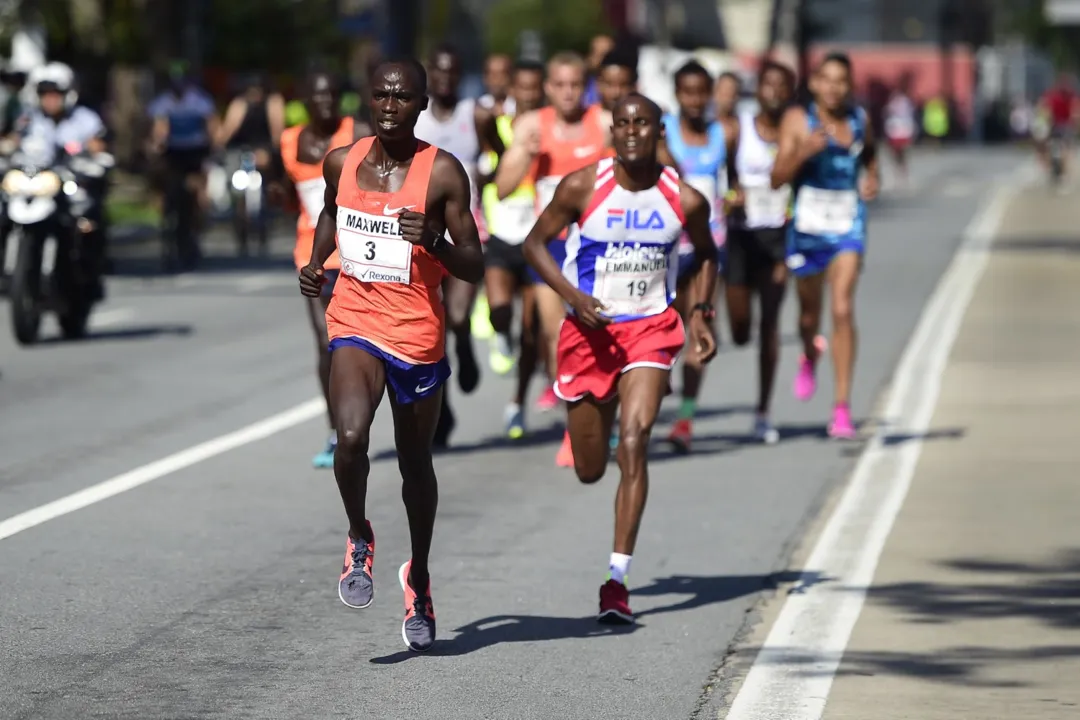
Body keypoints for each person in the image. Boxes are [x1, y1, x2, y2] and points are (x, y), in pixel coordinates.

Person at [297, 58, 484, 653]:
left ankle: (420, 578)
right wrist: (317, 259)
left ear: (423, 103)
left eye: (403, 97)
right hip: (354, 319)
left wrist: (434, 241)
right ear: (367, 99)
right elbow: (331, 210)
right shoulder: (342, 160)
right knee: (350, 438)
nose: (389, 106)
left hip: (417, 335)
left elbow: (475, 264)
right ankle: (359, 534)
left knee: (415, 467)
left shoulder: (445, 174)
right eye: (380, 95)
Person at [522, 93, 718, 623]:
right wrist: (574, 297)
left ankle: (616, 580)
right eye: (623, 123)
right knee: (589, 469)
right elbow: (535, 244)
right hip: (589, 335)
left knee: (634, 442)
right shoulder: (584, 186)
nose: (632, 131)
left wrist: (700, 312)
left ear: (659, 130)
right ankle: (598, 419)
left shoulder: (686, 199)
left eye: (643, 123)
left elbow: (706, 254)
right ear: (613, 130)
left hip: (651, 329)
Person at [494, 51, 609, 466]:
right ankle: (572, 429)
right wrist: (524, 153)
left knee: (599, 337)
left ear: (585, 85)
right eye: (559, 85)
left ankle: (602, 415)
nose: (567, 93)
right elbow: (502, 187)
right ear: (547, 88)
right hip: (550, 249)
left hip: (597, 249)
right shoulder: (531, 125)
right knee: (559, 338)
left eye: (575, 84)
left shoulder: (604, 124)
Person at [771, 52, 879, 439]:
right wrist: (803, 152)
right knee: (808, 315)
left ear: (849, 86)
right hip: (808, 230)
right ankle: (809, 349)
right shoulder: (798, 121)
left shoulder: (859, 120)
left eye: (842, 81)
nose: (834, 88)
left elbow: (869, 157)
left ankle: (842, 407)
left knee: (843, 307)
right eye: (827, 79)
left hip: (848, 227)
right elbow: (776, 178)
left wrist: (871, 179)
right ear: (814, 83)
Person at [279, 71, 360, 468]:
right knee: (325, 344)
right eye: (318, 96)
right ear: (305, 101)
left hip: (358, 253)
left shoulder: (356, 130)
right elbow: (288, 194)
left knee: (364, 346)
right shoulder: (290, 140)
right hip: (311, 255)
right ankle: (336, 432)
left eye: (332, 95)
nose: (326, 103)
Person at [659, 60, 733, 452]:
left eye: (701, 92)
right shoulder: (663, 131)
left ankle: (685, 418)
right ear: (676, 94)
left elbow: (731, 181)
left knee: (698, 325)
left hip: (708, 247)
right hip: (666, 247)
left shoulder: (723, 134)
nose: (695, 100)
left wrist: (734, 198)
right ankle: (648, 398)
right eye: (687, 92)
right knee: (661, 330)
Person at [413, 43, 484, 447]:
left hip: (470, 231)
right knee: (433, 331)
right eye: (437, 72)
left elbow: (498, 153)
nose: (444, 79)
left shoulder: (474, 114)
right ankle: (446, 408)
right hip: (425, 235)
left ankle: (466, 345)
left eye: (451, 72)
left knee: (457, 318)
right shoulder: (416, 118)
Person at [723, 60, 797, 444]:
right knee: (739, 329)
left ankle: (763, 411)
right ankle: (740, 329)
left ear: (790, 91)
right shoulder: (740, 128)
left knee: (770, 323)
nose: (774, 92)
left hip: (777, 238)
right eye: (768, 84)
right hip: (741, 236)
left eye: (781, 86)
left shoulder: (796, 131)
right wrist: (730, 194)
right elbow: (723, 172)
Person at [476, 59, 546, 437]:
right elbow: (487, 166)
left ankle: (517, 402)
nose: (530, 94)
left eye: (536, 87)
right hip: (502, 235)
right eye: (524, 87)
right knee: (500, 312)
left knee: (533, 331)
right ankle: (501, 334)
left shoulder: (550, 130)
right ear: (513, 89)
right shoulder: (499, 126)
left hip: (538, 241)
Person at [21, 62, 110, 296]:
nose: (50, 100)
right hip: (37, 184)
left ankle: (89, 273)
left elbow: (97, 146)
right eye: (45, 95)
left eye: (55, 95)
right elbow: (12, 141)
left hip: (70, 184)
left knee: (87, 219)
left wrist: (91, 155)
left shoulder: (84, 118)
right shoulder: (29, 120)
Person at [147, 62, 218, 270]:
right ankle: (166, 222)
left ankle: (199, 219)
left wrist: (214, 145)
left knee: (196, 190)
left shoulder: (199, 100)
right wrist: (156, 144)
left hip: (196, 151)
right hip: (173, 152)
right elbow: (160, 127)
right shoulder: (164, 102)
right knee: (167, 187)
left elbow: (212, 125)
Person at [1038, 73, 1079, 179]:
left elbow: (1045, 110)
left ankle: (1050, 167)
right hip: (1059, 125)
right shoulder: (1066, 97)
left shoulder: (1056, 96)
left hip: (1059, 125)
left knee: (1049, 145)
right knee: (1064, 147)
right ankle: (1053, 168)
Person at [883, 77, 916, 186]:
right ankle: (897, 172)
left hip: (903, 130)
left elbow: (909, 115)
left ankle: (903, 173)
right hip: (895, 129)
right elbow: (888, 113)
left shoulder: (906, 101)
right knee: (895, 153)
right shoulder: (893, 100)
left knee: (903, 153)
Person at [478, 53, 515, 118]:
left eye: (501, 75)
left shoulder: (518, 106)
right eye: (492, 74)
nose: (496, 80)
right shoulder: (479, 106)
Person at [584, 34, 616, 107]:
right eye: (600, 55)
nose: (603, 60)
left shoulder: (623, 88)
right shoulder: (581, 86)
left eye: (608, 55)